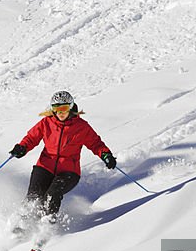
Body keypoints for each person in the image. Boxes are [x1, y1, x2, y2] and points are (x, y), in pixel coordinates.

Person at [9, 90, 116, 224]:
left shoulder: (81, 127)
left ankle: (47, 225)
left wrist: (106, 155)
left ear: (71, 107)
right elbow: (32, 137)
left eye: (64, 108)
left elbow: (95, 143)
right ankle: (23, 223)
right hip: (45, 166)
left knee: (52, 194)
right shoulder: (46, 123)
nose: (60, 113)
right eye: (56, 109)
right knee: (34, 195)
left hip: (69, 172)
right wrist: (22, 148)